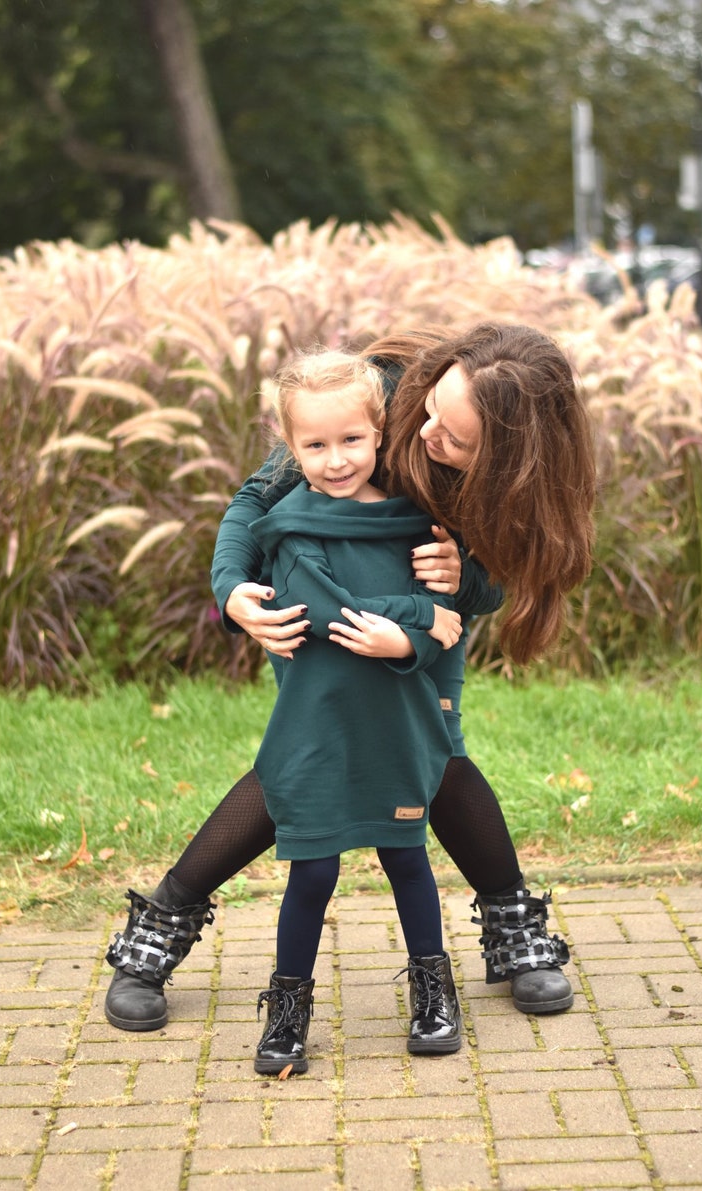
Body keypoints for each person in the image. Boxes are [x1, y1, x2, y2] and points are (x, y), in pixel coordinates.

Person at [104, 322, 596, 1034]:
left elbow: (494, 583)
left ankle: (513, 927)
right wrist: (232, 588)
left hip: (426, 624)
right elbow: (254, 501)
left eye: (455, 438)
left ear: (510, 456)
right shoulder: (380, 397)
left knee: (441, 755)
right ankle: (162, 922)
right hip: (326, 609)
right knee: (309, 757)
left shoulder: (516, 478)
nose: (426, 433)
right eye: (431, 411)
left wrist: (465, 576)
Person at [246, 349, 463, 1072]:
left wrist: (424, 630)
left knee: (408, 857)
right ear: (290, 445)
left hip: (392, 727)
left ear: (379, 434)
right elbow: (325, 612)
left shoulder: (416, 523)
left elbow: (449, 619)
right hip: (316, 730)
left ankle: (435, 991)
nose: (336, 459)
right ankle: (288, 1008)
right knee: (311, 872)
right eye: (314, 445)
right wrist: (418, 618)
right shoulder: (289, 526)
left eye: (351, 440)